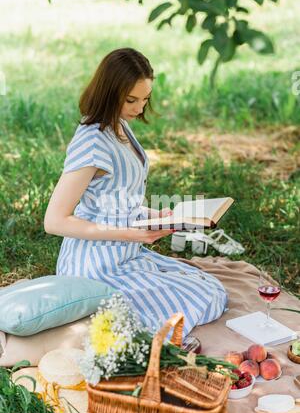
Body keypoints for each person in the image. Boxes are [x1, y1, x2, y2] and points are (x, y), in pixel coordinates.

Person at [44, 47, 228, 345]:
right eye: (132, 100)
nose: (140, 107)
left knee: (207, 287)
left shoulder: (120, 126)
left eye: (145, 98)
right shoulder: (92, 143)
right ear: (109, 92)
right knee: (195, 299)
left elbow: (119, 199)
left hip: (124, 251)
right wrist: (130, 234)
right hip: (95, 263)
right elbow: (54, 221)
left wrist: (158, 216)